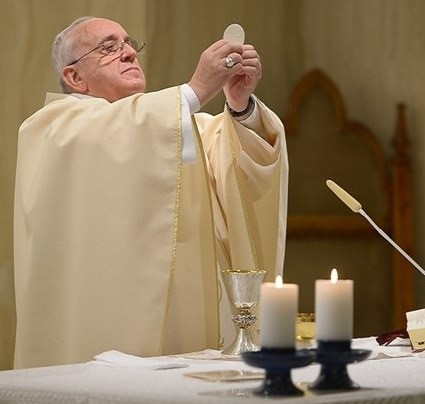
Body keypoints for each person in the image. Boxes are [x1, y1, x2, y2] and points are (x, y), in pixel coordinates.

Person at [13, 16, 288, 369]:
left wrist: (240, 107)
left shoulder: (178, 127)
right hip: (101, 334)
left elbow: (244, 167)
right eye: (108, 48)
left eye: (129, 44)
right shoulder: (54, 129)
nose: (128, 53)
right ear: (75, 77)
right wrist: (197, 89)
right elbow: (118, 133)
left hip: (188, 331)